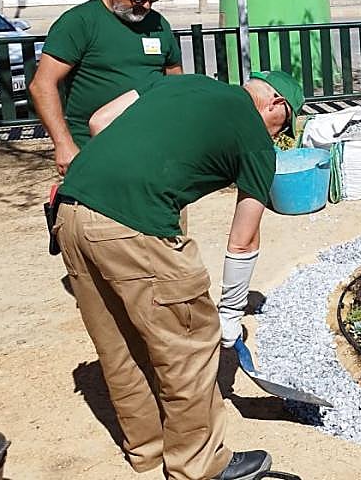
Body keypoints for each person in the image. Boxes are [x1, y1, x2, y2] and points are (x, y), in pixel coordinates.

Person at [52, 69, 305, 480]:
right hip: (136, 222)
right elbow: (243, 239)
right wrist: (230, 313)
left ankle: (147, 449)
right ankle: (200, 466)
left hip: (71, 210)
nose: (279, 135)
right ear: (276, 104)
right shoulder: (259, 143)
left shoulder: (182, 81)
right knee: (189, 343)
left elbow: (99, 122)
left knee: (119, 341)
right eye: (284, 124)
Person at [30, 0, 182, 176]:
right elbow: (42, 85)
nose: (147, 6)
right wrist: (63, 144)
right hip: (94, 147)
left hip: (151, 146)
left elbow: (175, 80)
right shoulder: (80, 22)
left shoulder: (159, 24)